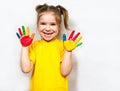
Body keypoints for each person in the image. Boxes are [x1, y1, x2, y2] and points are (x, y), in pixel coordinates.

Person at [16, 3, 82, 91]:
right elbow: (26, 69)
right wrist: (24, 47)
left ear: (59, 26)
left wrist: (68, 52)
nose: (47, 28)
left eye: (53, 24)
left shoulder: (63, 46)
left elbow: (65, 72)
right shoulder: (35, 45)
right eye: (43, 23)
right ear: (37, 24)